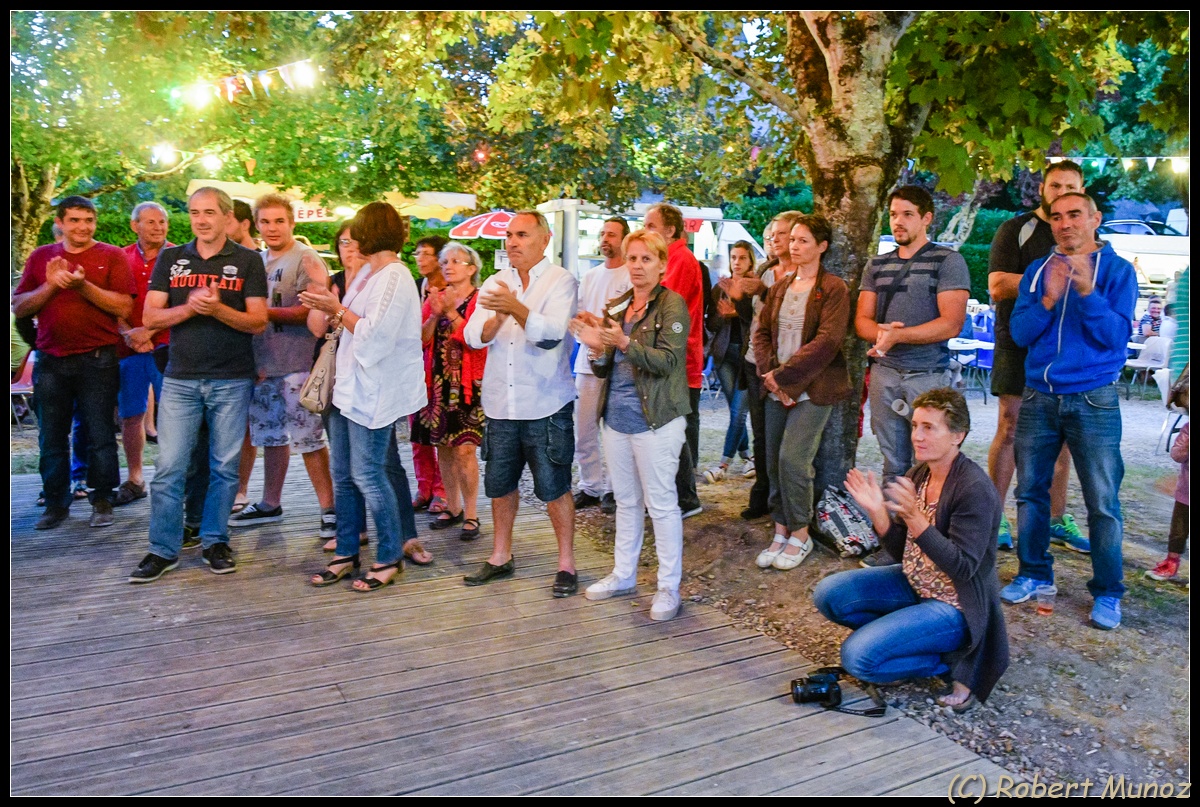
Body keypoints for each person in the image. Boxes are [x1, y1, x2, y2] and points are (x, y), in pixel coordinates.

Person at [817, 388, 1008, 711]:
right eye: (915, 425)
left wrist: (916, 520)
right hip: (916, 584)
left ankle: (949, 662)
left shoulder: (973, 488)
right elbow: (902, 551)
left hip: (956, 604)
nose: (917, 436)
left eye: (929, 427)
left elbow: (964, 567)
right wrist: (879, 514)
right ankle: (901, 639)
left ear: (957, 436)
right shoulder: (919, 474)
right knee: (829, 594)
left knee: (857, 659)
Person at [1002, 192, 1138, 630]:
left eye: (1075, 215)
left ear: (1095, 219)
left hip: (1094, 398)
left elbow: (1115, 338)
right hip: (1039, 396)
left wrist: (1087, 291)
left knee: (1102, 501)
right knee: (1030, 493)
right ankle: (1033, 573)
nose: (1065, 224)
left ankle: (1108, 592)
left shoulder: (1118, 270)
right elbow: (1020, 333)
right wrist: (1047, 298)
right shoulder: (1038, 270)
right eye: (1057, 216)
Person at [128, 187, 268, 583]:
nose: (201, 220)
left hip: (231, 378)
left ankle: (215, 541)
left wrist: (218, 309)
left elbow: (258, 321)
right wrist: (190, 308)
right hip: (180, 378)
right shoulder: (172, 258)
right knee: (169, 466)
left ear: (226, 217)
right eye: (194, 212)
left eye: (209, 212)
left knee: (224, 467)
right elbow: (150, 318)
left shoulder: (248, 260)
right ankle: (162, 548)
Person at [301, 201, 425, 592]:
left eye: (357, 230)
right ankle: (346, 551)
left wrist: (336, 308)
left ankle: (389, 555)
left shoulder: (394, 275)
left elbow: (375, 337)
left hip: (373, 389)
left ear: (371, 232)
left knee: (369, 474)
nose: (351, 239)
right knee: (343, 475)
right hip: (347, 386)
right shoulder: (370, 275)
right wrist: (331, 307)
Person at [573, 230, 691, 620]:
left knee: (661, 504)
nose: (637, 266)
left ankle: (668, 587)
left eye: (646, 259)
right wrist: (597, 348)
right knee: (626, 501)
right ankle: (624, 574)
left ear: (662, 264)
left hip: (657, 420)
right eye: (632, 258)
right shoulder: (618, 304)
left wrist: (623, 342)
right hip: (617, 417)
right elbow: (605, 367)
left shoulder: (671, 304)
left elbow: (668, 362)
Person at [462, 210, 579, 597]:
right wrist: (498, 317)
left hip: (546, 403)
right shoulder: (496, 281)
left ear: (544, 240)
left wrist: (514, 307)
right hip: (501, 403)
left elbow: (551, 334)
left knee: (554, 486)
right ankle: (500, 556)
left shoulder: (561, 280)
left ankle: (566, 563)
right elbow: (473, 336)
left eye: (522, 235)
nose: (512, 242)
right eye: (509, 235)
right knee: (500, 485)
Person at [855, 186, 970, 567]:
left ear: (926, 218)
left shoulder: (947, 261)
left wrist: (897, 335)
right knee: (893, 461)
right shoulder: (877, 264)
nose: (898, 221)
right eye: (893, 214)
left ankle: (934, 543)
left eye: (907, 214)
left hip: (928, 375)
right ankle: (894, 546)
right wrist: (884, 335)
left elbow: (951, 323)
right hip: (886, 373)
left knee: (934, 462)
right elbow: (862, 321)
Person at [13, 196, 136, 530]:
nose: (83, 227)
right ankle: (55, 503)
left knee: (100, 433)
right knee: (51, 437)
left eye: (89, 220)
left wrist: (82, 285)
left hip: (98, 359)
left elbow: (123, 307)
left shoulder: (111, 255)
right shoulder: (41, 257)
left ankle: (103, 499)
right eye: (75, 220)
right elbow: (20, 306)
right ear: (60, 223)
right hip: (51, 361)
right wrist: (51, 285)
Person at [986, 162, 1089, 553]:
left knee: (1063, 437)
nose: (1061, 192)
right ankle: (993, 518)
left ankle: (1056, 519)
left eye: (1069, 186)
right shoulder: (1016, 228)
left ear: (1082, 191)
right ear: (1043, 189)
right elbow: (997, 285)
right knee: (1010, 426)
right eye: (1055, 185)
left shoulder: (1085, 231)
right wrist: (1050, 279)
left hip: (1064, 347)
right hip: (1017, 342)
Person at [228, 194, 337, 545]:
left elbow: (311, 309)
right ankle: (270, 502)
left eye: (279, 221)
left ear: (292, 223)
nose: (272, 228)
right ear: (255, 224)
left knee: (308, 439)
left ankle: (330, 508)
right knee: (270, 437)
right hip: (264, 364)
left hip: (297, 364)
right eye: (266, 221)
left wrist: (260, 314)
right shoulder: (256, 260)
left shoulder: (305, 258)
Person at [752, 215, 852, 570]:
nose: (793, 246)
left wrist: (784, 378)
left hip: (813, 388)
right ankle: (780, 529)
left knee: (793, 460)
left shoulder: (834, 288)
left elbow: (828, 342)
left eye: (803, 240)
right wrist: (770, 374)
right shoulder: (780, 285)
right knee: (772, 461)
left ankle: (801, 533)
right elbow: (761, 333)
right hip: (776, 385)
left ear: (822, 246)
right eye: (792, 239)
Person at [415, 241, 487, 544]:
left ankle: (471, 513)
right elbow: (420, 339)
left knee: (465, 449)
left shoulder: (480, 299)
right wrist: (434, 314)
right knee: (442, 446)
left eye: (456, 261)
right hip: (436, 381)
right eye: (445, 262)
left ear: (472, 269)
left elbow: (475, 339)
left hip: (466, 384)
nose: (448, 266)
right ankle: (452, 506)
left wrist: (450, 313)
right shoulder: (436, 296)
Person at [741, 212, 803, 520]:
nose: (774, 240)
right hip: (756, 362)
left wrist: (762, 292)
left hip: (786, 368)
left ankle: (786, 503)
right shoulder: (765, 269)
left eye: (782, 234)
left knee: (786, 439)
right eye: (771, 235)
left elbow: (784, 313)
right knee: (760, 432)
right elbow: (753, 318)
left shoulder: (804, 275)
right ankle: (762, 493)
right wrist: (739, 298)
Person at [112, 202, 174, 506]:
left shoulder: (179, 257)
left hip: (167, 346)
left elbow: (183, 304)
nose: (158, 227)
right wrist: (129, 334)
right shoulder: (120, 257)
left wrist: (147, 332)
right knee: (131, 415)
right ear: (134, 225)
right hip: (128, 348)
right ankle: (135, 478)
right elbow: (111, 303)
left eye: (162, 221)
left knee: (175, 416)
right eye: (150, 222)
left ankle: (175, 478)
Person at [643, 203, 703, 518]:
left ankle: (685, 499)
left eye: (650, 226)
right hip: (672, 357)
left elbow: (661, 309)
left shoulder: (679, 259)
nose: (645, 232)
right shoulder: (672, 258)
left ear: (670, 230)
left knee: (675, 432)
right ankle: (677, 497)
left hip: (677, 360)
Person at [573, 216, 631, 513]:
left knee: (614, 429)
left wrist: (597, 323)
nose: (605, 239)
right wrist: (584, 325)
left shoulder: (630, 275)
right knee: (583, 428)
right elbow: (579, 313)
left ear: (624, 239)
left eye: (612, 234)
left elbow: (627, 323)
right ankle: (590, 485)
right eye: (603, 234)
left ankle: (613, 488)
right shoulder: (590, 276)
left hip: (619, 363)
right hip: (588, 360)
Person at [702, 240, 755, 483]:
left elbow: (759, 321)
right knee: (736, 410)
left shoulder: (756, 287)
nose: (737, 262)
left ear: (750, 261)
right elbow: (710, 324)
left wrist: (737, 312)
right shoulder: (719, 288)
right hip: (724, 355)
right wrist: (723, 317)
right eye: (734, 257)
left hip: (748, 355)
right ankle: (747, 457)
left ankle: (723, 464)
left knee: (738, 411)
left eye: (742, 257)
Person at [410, 234, 450, 515]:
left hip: (442, 367)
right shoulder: (415, 287)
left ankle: (442, 490)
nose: (420, 259)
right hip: (414, 365)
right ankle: (423, 486)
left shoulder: (452, 290)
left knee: (442, 432)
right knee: (417, 431)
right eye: (418, 254)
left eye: (426, 254)